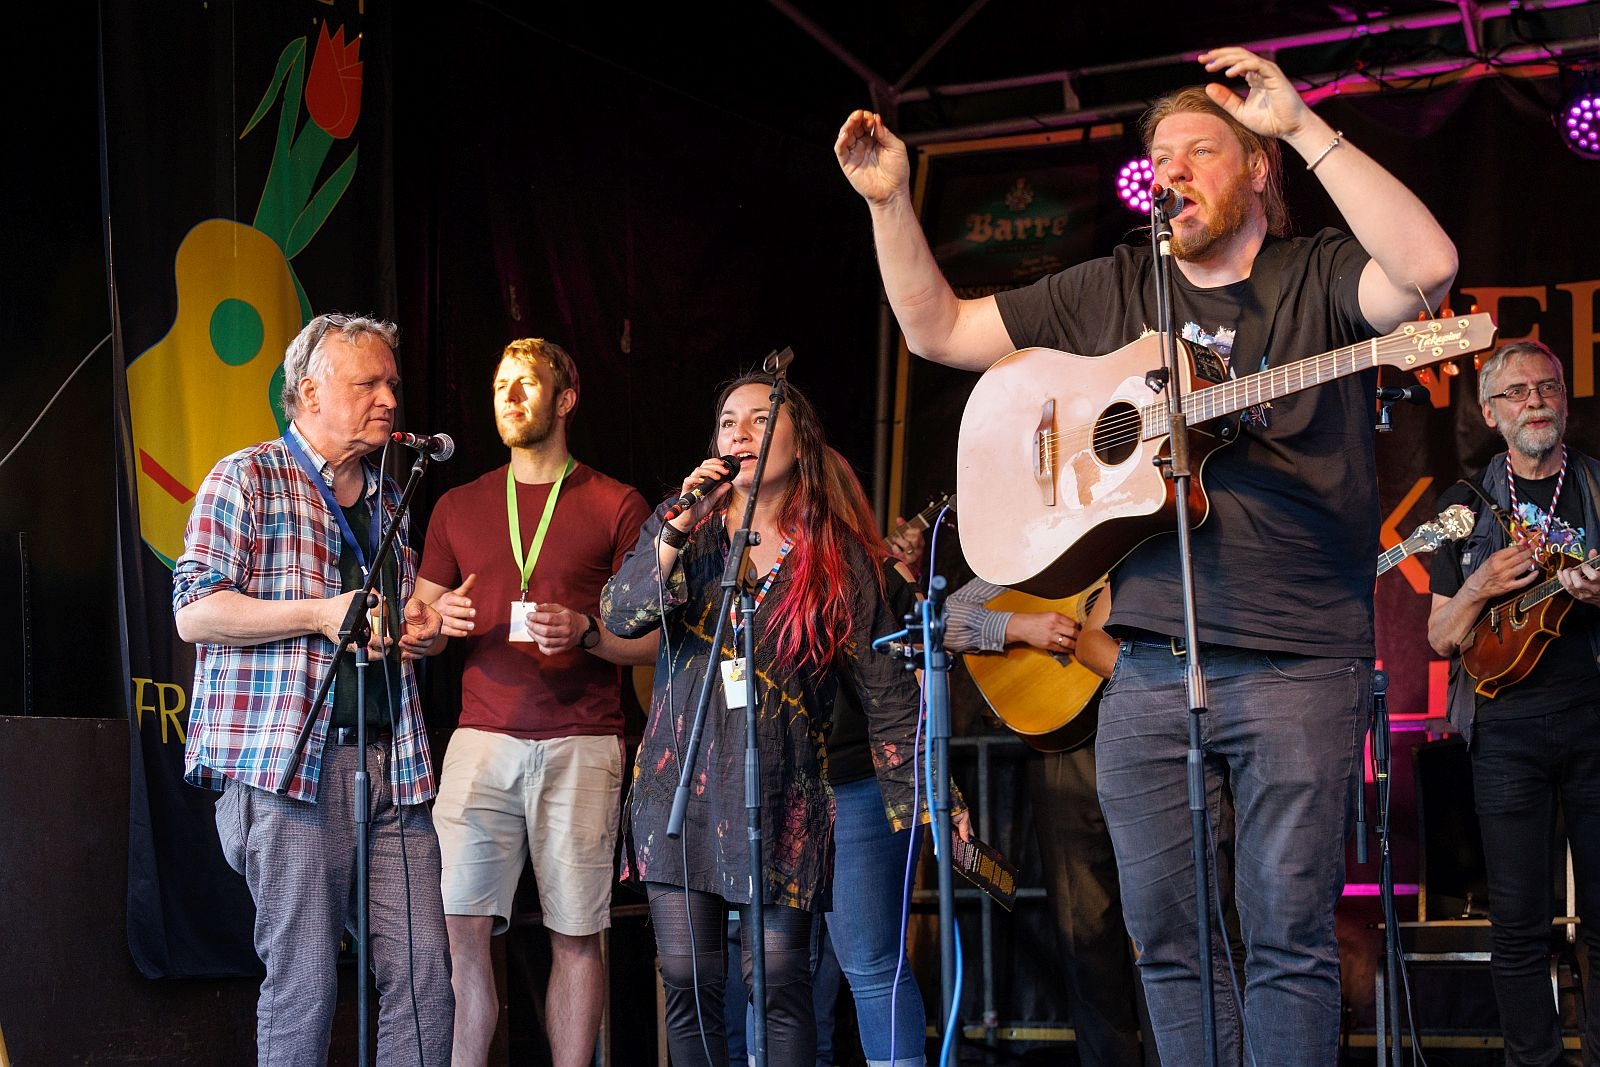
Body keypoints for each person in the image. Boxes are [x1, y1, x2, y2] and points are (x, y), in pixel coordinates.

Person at [837, 44, 1457, 1065]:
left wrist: (1302, 123)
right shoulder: (1119, 285)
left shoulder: (1315, 273)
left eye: (1200, 151)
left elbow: (1427, 269)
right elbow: (936, 329)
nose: (1171, 171)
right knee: (1167, 945)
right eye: (1159, 157)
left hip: (1299, 658)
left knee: (1285, 939)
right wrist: (889, 201)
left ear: (1256, 168)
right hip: (1147, 665)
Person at [599, 374, 939, 1067]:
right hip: (680, 787)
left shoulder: (834, 554)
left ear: (801, 440)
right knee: (688, 978)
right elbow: (621, 613)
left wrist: (925, 801)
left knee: (780, 981)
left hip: (784, 793)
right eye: (729, 422)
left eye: (761, 418)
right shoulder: (687, 530)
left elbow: (886, 692)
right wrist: (675, 528)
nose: (741, 433)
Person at [173, 313, 454, 1065]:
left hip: (394, 763)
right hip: (291, 769)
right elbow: (195, 613)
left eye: (392, 382)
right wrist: (320, 613)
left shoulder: (390, 500)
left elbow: (380, 624)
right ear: (308, 392)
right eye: (367, 383)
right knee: (306, 986)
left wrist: (418, 629)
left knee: (427, 981)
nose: (388, 398)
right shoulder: (247, 476)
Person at [409, 337, 656, 1067]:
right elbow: (418, 628)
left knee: (575, 933)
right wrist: (436, 625)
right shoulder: (457, 505)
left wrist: (587, 632)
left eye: (526, 383)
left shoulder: (616, 503)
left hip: (583, 740)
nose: (510, 396)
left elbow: (653, 643)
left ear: (566, 399)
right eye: (500, 385)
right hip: (481, 740)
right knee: (460, 930)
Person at [1426, 340, 1600, 1066]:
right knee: (1519, 925)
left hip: (1594, 720)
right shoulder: (1461, 507)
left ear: (1564, 400)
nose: (1536, 401)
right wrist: (1478, 586)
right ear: (1491, 413)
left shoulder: (1595, 485)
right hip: (1502, 731)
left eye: (1548, 388)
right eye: (1518, 392)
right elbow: (1440, 635)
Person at [944, 578, 1154, 1067]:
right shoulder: (1051, 550)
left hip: (1153, 732)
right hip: (1069, 744)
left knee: (1163, 925)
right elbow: (947, 618)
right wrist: (1019, 626)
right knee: (1085, 931)